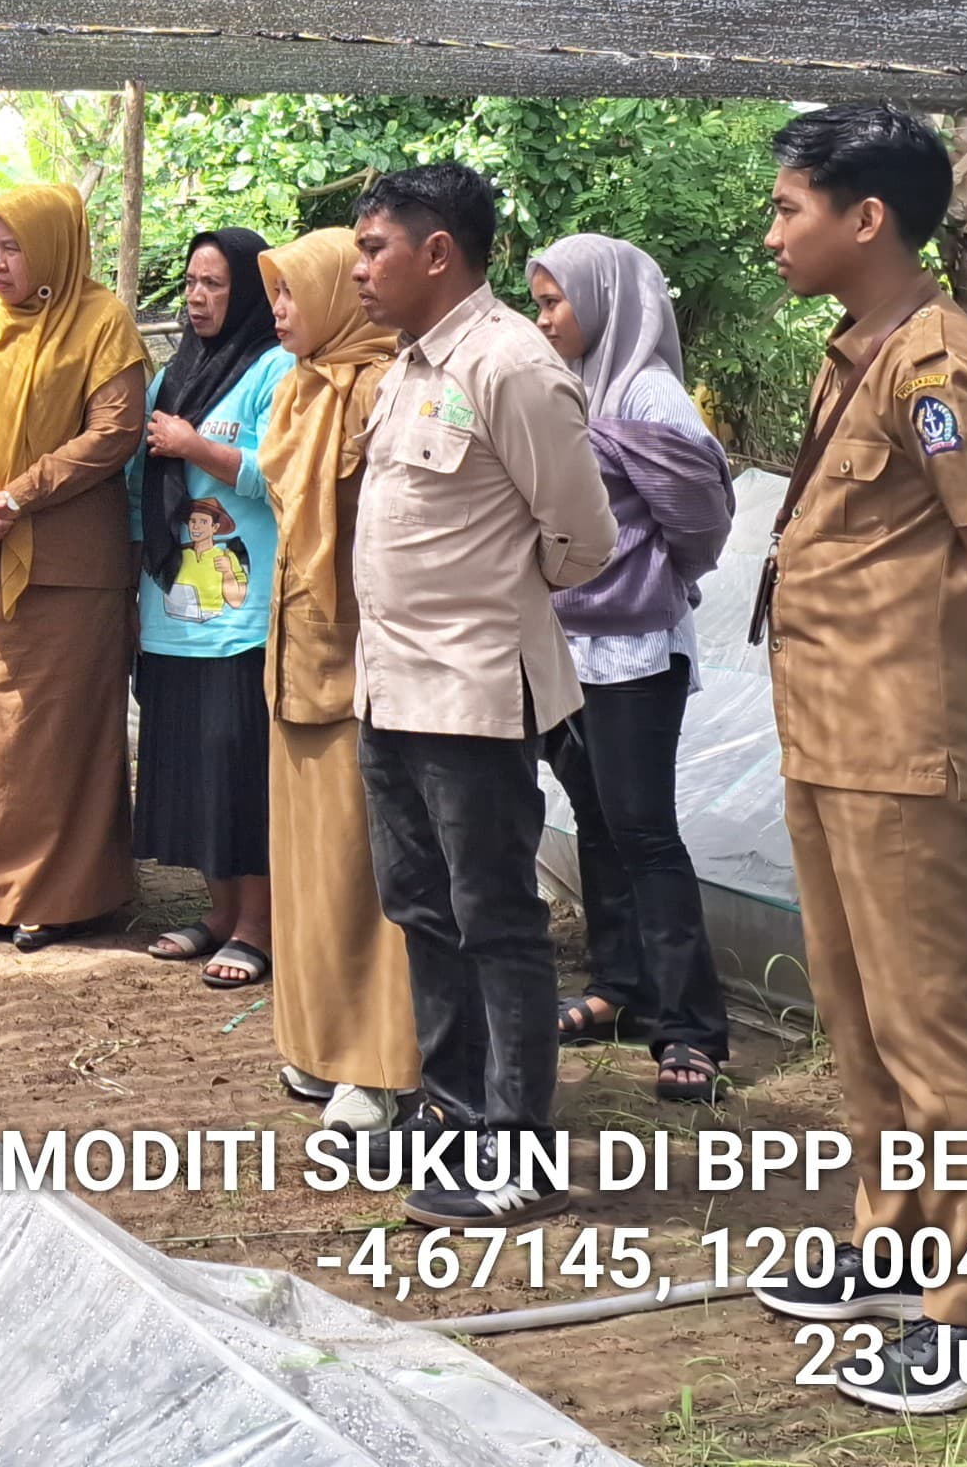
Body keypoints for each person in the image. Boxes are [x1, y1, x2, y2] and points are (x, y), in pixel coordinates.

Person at [745, 104, 967, 1414]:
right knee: (860, 1014)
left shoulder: (941, 367)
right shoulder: (857, 353)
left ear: (866, 218)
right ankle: (901, 1241)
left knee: (930, 1022)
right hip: (831, 726)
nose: (771, 233)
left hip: (904, 735)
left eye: (788, 208)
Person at [346, 164, 612, 1225]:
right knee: (419, 909)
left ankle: (517, 1149)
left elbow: (583, 537)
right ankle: (452, 1118)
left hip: (474, 696)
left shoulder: (511, 365)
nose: (359, 268)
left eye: (374, 248)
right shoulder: (405, 367)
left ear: (439, 252)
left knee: (495, 917)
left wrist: (502, 600)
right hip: (391, 690)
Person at [527, 234, 738, 1104]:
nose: (542, 321)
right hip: (565, 636)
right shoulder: (567, 383)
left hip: (632, 647)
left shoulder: (646, 391)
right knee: (596, 815)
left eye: (553, 304)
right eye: (536, 304)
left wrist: (653, 576)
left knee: (645, 827)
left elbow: (701, 512)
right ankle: (620, 984)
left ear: (606, 300)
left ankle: (691, 1028)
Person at [0, 183, 149, 953]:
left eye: (13, 247)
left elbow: (113, 434)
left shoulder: (102, 322)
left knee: (57, 734)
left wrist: (14, 498)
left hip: (66, 568)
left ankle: (64, 894)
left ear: (53, 246)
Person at [250, 228, 421, 1126]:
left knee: (370, 871)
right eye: (273, 294)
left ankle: (382, 1065)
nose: (280, 310)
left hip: (372, 666)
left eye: (292, 292)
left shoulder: (389, 387)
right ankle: (315, 1042)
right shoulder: (298, 390)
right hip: (299, 659)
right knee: (310, 866)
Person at [127, 229, 290, 987]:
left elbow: (276, 477)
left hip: (240, 612)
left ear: (250, 292)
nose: (196, 297)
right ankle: (219, 912)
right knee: (190, 765)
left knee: (238, 769)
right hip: (173, 605)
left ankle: (259, 925)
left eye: (215, 284)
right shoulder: (175, 374)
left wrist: (196, 447)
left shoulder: (274, 369)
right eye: (191, 282)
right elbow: (139, 483)